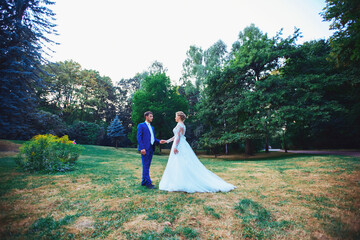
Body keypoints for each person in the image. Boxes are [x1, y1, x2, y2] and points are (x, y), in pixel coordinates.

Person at [159, 111, 236, 193]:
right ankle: (179, 181)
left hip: (179, 145)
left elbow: (177, 137)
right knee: (179, 162)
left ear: (179, 117)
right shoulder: (181, 125)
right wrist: (167, 141)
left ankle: (180, 182)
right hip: (181, 144)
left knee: (180, 162)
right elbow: (176, 136)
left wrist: (176, 146)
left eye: (176, 116)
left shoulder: (180, 125)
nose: (175, 117)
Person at [137, 111, 166, 189]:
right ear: (146, 116)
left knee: (147, 166)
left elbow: (152, 138)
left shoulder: (152, 127)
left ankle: (144, 181)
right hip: (145, 149)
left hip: (151, 149)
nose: (152, 118)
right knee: (146, 165)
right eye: (150, 116)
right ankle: (148, 183)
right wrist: (142, 148)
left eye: (152, 116)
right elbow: (139, 138)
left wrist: (159, 141)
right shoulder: (141, 125)